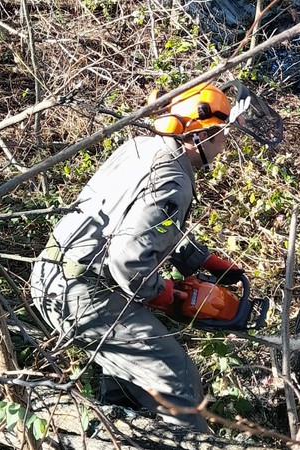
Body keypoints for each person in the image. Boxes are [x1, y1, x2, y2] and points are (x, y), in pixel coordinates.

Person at [30, 83, 246, 431]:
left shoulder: (140, 147)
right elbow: (129, 261)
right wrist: (163, 294)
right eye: (222, 135)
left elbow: (129, 221)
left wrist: (197, 259)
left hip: (51, 274)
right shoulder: (173, 178)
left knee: (125, 376)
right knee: (175, 377)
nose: (224, 144)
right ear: (201, 134)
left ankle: (119, 433)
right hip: (83, 291)